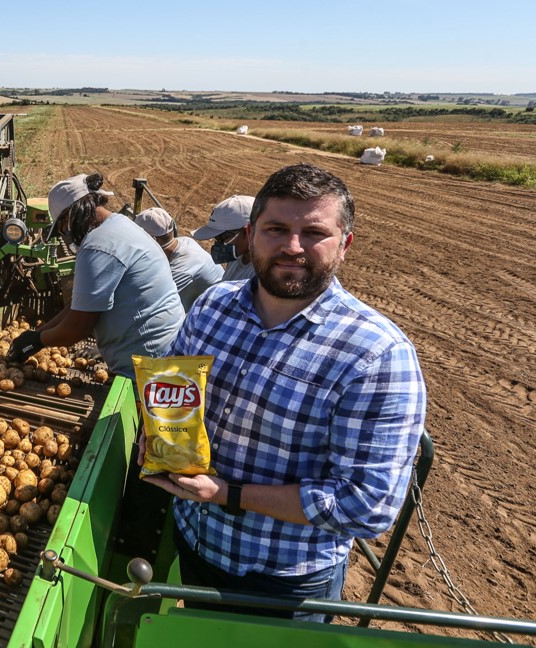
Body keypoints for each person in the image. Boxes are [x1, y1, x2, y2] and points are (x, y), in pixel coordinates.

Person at [145, 163, 427, 622]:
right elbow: (172, 393)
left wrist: (227, 494)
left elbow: (365, 506)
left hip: (281, 584)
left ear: (345, 245)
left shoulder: (376, 354)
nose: (292, 247)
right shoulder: (213, 307)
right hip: (195, 541)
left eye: (313, 232)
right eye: (277, 229)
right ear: (251, 234)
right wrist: (158, 435)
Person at [7, 173, 183, 380]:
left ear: (71, 215)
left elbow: (77, 328)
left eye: (62, 228)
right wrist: (37, 334)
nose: (65, 234)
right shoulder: (121, 226)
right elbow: (78, 307)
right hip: (168, 354)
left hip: (151, 367)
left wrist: (36, 342)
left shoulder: (99, 244)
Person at [134, 207, 223, 311]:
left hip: (216, 314)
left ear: (153, 240)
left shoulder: (182, 268)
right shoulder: (184, 241)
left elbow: (148, 300)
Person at [192, 195, 256, 282]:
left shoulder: (263, 276)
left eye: (222, 237)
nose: (218, 243)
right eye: (216, 238)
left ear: (247, 233)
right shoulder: (238, 257)